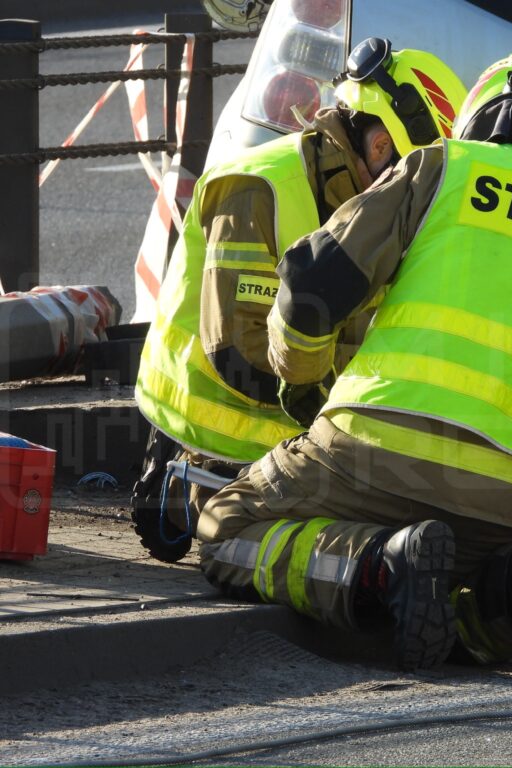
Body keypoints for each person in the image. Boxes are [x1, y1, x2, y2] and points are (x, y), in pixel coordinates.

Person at [195, 52, 512, 676]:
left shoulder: (442, 167)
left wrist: (299, 373)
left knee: (225, 524)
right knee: (457, 572)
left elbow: (311, 283)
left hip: (375, 450)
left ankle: (377, 567)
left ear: (477, 123)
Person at [131, 38, 466, 563]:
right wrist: (344, 412)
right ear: (381, 148)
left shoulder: (367, 208)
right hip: (219, 429)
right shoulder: (261, 187)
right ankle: (183, 490)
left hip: (303, 434)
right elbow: (237, 352)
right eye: (410, 182)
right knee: (324, 542)